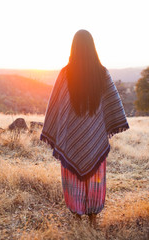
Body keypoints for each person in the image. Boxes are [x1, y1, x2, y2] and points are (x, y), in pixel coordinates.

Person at [40, 29, 129, 227]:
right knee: (96, 176)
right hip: (95, 140)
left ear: (74, 48)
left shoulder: (65, 73)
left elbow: (55, 107)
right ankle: (93, 217)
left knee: (73, 177)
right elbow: (114, 105)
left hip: (71, 139)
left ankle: (77, 214)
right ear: (92, 47)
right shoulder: (102, 72)